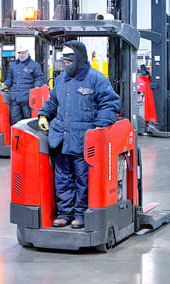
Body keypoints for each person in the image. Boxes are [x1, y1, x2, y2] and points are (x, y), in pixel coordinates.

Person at [34, 40, 121, 229]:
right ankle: (65, 213)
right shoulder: (61, 80)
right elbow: (52, 102)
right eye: (64, 61)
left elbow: (110, 103)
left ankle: (81, 214)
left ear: (80, 59)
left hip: (84, 141)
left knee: (83, 179)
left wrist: (100, 127)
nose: (66, 64)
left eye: (69, 60)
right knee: (63, 178)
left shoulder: (96, 79)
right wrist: (43, 114)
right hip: (61, 139)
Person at [1, 48, 47, 123]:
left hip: (27, 98)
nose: (21, 55)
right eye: (19, 53)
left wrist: (37, 86)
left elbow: (39, 78)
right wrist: (6, 85)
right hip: (15, 98)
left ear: (27, 53)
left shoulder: (34, 65)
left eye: (23, 53)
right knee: (14, 119)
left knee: (27, 119)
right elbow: (9, 78)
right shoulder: (13, 65)